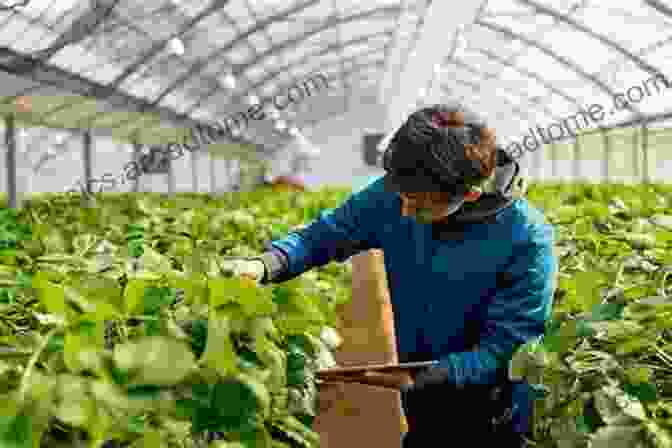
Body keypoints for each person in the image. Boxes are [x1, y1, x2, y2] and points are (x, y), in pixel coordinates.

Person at [227, 103, 558, 447]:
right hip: (421, 402)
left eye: (418, 206)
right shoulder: (399, 190)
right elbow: (326, 234)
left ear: (470, 194)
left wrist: (432, 375)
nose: (403, 211)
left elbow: (507, 350)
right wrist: (266, 264)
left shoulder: (526, 238)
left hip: (492, 415)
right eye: (400, 197)